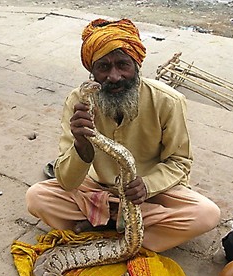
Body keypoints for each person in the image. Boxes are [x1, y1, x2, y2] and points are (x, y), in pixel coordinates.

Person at [26, 18, 220, 252]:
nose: (114, 77)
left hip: (147, 194)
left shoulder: (168, 101)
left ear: (136, 66)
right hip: (96, 189)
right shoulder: (79, 101)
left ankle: (104, 228)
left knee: (206, 214)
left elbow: (179, 162)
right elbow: (67, 181)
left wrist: (146, 186)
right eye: (104, 67)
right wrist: (81, 146)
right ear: (92, 72)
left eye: (122, 65)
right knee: (37, 197)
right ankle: (128, 230)